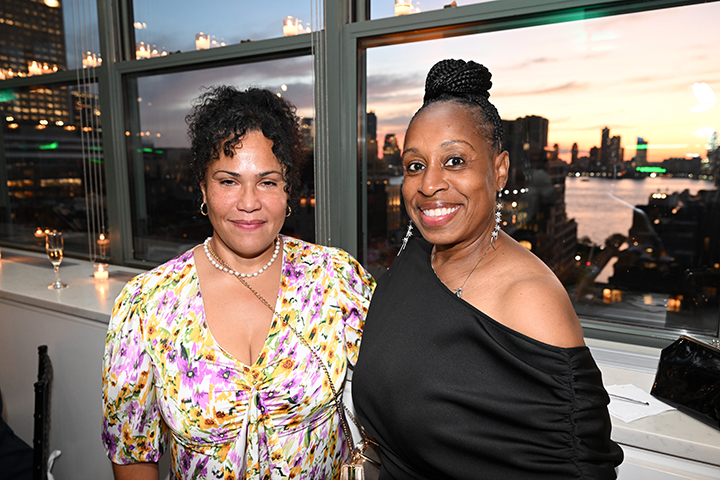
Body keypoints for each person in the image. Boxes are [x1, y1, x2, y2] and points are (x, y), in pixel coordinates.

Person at [353, 59, 623, 479]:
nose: (428, 184)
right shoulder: (415, 258)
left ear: (499, 170)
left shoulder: (530, 298)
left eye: (454, 161)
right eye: (415, 165)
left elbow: (579, 466)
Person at [102, 86, 375, 480]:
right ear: (203, 188)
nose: (249, 202)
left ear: (288, 190)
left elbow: (395, 400)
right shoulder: (147, 305)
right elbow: (132, 453)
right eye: (229, 181)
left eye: (267, 182)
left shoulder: (335, 280)